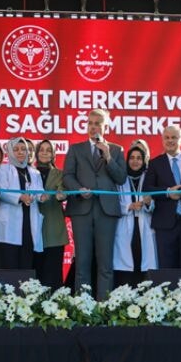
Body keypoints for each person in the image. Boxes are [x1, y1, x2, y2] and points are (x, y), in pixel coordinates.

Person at [63, 108, 128, 298]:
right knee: (82, 262)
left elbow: (121, 178)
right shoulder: (75, 149)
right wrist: (78, 189)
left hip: (106, 211)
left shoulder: (116, 150)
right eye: (90, 123)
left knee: (105, 264)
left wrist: (108, 157)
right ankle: (82, 307)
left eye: (97, 123)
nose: (93, 127)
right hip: (81, 210)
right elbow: (67, 176)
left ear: (105, 126)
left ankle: (104, 306)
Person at [143, 124, 181, 268]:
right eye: (167, 138)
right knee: (167, 269)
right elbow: (147, 188)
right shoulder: (154, 163)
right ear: (162, 140)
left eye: (174, 137)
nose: (170, 141)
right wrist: (167, 192)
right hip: (165, 225)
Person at [0, 137, 46, 269]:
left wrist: (43, 197)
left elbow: (39, 192)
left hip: (29, 222)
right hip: (9, 224)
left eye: (23, 149)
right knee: (9, 265)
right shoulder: (4, 169)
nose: (20, 152)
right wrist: (20, 197)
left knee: (26, 264)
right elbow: (2, 191)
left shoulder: (35, 172)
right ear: (10, 152)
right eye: (16, 149)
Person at [115, 141, 156, 286]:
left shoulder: (149, 177)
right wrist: (129, 206)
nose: (135, 161)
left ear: (144, 160)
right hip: (125, 225)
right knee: (126, 265)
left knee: (144, 264)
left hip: (144, 225)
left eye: (139, 158)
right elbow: (113, 203)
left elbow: (156, 203)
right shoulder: (121, 178)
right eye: (132, 158)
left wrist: (148, 203)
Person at [33, 139, 70, 288]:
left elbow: (63, 190)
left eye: (48, 150)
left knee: (53, 272)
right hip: (33, 227)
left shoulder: (60, 174)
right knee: (35, 271)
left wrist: (61, 195)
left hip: (53, 228)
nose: (44, 153)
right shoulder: (29, 172)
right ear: (36, 153)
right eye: (42, 149)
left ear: (54, 154)